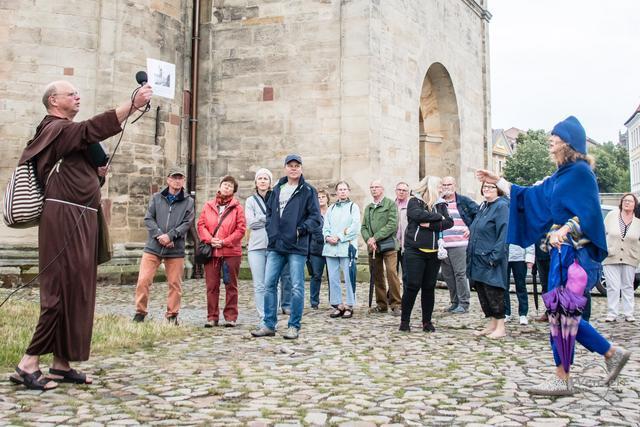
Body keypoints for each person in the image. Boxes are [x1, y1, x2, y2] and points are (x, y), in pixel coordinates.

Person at [9, 80, 152, 390]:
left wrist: (95, 177)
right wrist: (133, 104)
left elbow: (81, 169)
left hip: (82, 217)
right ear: (53, 101)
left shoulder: (67, 134)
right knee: (59, 289)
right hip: (63, 218)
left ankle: (61, 364)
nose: (78, 95)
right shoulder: (55, 128)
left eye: (78, 91)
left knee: (78, 290)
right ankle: (28, 362)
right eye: (70, 93)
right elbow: (92, 128)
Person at [477, 115, 631, 395]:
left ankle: (565, 375)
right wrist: (498, 180)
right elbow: (531, 196)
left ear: (568, 143)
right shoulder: (560, 176)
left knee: (564, 314)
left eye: (554, 139)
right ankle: (609, 354)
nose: (550, 142)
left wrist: (566, 229)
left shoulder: (581, 173)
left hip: (576, 255)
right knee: (561, 314)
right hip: (561, 255)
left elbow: (589, 213)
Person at [251, 154, 321, 340]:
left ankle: (293, 326)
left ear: (301, 169)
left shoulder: (307, 191)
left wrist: (300, 230)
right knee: (269, 285)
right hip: (276, 246)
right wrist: (272, 232)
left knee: (297, 287)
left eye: (297, 165)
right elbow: (269, 215)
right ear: (285, 168)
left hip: (297, 247)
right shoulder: (276, 190)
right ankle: (268, 324)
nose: (293, 168)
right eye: (290, 165)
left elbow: (315, 218)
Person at [132, 166, 195, 325]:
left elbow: (187, 223)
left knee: (175, 284)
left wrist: (171, 235)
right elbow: (148, 219)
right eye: (174, 177)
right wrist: (160, 235)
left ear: (183, 181)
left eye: (180, 178)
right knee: (143, 280)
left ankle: (172, 315)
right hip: (154, 246)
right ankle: (140, 313)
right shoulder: (156, 197)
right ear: (168, 180)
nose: (177, 180)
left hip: (175, 249)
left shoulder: (189, 201)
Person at [399, 176, 453, 332]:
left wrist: (429, 224)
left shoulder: (441, 204)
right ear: (432, 187)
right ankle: (405, 321)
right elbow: (417, 215)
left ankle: (427, 321)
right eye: (440, 186)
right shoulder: (414, 201)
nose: (443, 188)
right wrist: (437, 218)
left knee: (429, 287)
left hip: (434, 252)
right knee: (412, 286)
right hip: (415, 251)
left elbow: (449, 222)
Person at [198, 176, 246, 327]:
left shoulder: (237, 207)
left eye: (230, 186)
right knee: (212, 286)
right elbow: (201, 225)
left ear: (234, 191)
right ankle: (212, 317)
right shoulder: (208, 205)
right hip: (212, 252)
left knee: (231, 285)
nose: (227, 187)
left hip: (231, 252)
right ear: (219, 187)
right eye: (225, 184)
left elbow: (241, 229)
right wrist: (210, 240)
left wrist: (225, 242)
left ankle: (230, 317)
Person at [466, 182, 509, 339]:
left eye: (491, 187)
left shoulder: (502, 206)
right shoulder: (484, 206)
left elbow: (503, 234)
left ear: (498, 189)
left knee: (494, 291)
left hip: (490, 258)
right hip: (477, 257)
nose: (487, 189)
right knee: (483, 293)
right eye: (485, 187)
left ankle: (501, 327)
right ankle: (492, 324)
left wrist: (494, 257)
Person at [361, 180, 402, 316]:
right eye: (371, 187)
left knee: (391, 272)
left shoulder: (390, 204)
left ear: (382, 189)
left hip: (388, 245)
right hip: (373, 247)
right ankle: (381, 304)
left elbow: (392, 225)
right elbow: (364, 227)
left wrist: (376, 237)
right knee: (377, 275)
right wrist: (368, 239)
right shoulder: (368, 207)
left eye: (376, 187)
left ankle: (396, 304)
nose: (373, 189)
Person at [439, 176, 479, 314]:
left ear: (454, 185)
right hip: (443, 244)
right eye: (444, 185)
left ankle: (464, 303)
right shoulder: (439, 202)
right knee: (448, 275)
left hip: (459, 243)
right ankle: (454, 302)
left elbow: (479, 214)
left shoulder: (463, 201)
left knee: (460, 273)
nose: (446, 187)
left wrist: (470, 229)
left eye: (449, 184)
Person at [323, 181, 361, 318]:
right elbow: (325, 226)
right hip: (331, 248)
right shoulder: (331, 208)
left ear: (348, 191)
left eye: (345, 189)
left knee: (349, 277)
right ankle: (337, 305)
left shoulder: (353, 207)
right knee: (333, 278)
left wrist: (339, 237)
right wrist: (327, 237)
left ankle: (350, 305)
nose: (343, 191)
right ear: (336, 192)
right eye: (340, 189)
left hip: (347, 247)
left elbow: (355, 227)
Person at [602, 193, 640, 322]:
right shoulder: (612, 215)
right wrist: (604, 250)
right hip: (611, 256)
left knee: (628, 285)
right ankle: (612, 313)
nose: (627, 202)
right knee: (613, 286)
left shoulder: (638, 221)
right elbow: (602, 233)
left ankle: (628, 313)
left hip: (630, 257)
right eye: (625, 200)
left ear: (635, 204)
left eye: (630, 201)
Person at [245, 168, 273, 327]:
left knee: (273, 282)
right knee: (259, 283)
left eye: (266, 179)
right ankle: (263, 315)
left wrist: (261, 218)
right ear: (256, 182)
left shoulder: (275, 198)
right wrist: (267, 217)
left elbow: (279, 219)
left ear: (270, 182)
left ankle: (272, 314)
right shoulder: (250, 201)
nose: (263, 181)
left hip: (273, 246)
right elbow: (251, 223)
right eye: (260, 178)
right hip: (256, 246)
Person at [307, 189, 330, 309]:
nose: (320, 199)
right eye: (318, 197)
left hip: (331, 247)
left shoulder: (332, 211)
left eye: (323, 197)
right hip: (316, 249)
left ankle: (334, 301)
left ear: (327, 198)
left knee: (332, 276)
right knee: (316, 275)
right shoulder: (312, 214)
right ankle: (314, 301)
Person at [505, 244, 534, 325]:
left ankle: (523, 314)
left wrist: (529, 257)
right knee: (504, 286)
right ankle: (506, 312)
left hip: (520, 257)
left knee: (521, 286)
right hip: (504, 256)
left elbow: (529, 239)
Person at [394, 181, 410, 288]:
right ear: (396, 191)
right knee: (392, 272)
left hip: (406, 245)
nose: (401, 192)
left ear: (408, 193)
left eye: (404, 190)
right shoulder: (391, 205)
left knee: (406, 273)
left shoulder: (411, 206)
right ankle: (391, 295)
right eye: (399, 190)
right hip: (393, 244)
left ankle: (406, 297)